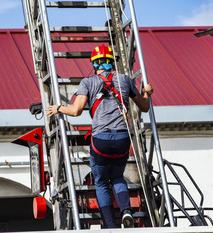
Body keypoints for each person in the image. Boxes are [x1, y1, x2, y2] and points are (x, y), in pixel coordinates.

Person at [46, 44, 153, 228]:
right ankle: (126, 211)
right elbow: (144, 106)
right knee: (118, 177)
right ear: (112, 62)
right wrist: (146, 93)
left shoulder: (88, 83)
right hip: (122, 139)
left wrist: (57, 108)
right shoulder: (125, 80)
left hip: (101, 140)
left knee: (102, 182)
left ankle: (110, 225)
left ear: (95, 65)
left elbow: (76, 110)